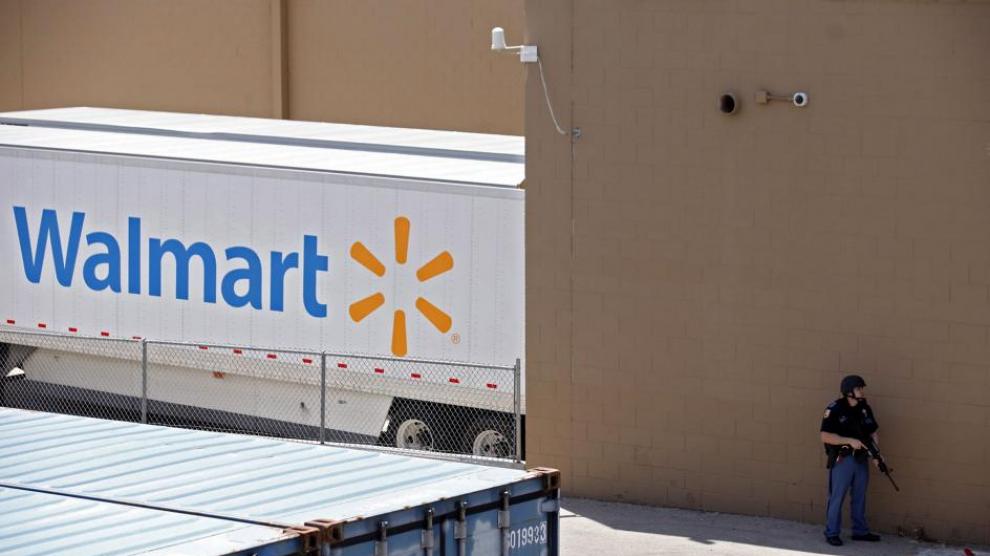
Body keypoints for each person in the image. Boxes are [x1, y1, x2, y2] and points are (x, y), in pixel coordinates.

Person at [819, 374, 883, 546]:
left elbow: (872, 433)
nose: (862, 391)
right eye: (858, 388)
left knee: (860, 496)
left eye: (862, 388)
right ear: (849, 392)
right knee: (837, 497)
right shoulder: (835, 409)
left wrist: (876, 455)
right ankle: (832, 532)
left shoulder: (864, 408)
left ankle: (860, 531)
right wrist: (848, 441)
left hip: (861, 458)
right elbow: (825, 436)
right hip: (843, 459)